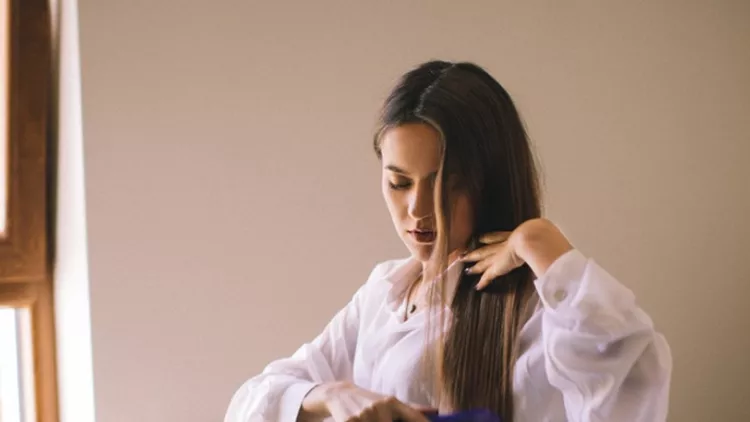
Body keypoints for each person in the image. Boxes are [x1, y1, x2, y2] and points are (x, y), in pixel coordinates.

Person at [224, 60, 672, 422]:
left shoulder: (540, 309)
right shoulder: (385, 293)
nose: (418, 210)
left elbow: (629, 379)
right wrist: (331, 394)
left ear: (488, 182)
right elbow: (251, 403)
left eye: (446, 185)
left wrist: (540, 240)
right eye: (399, 183)